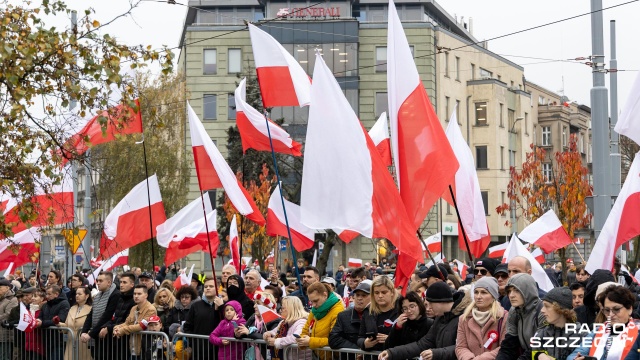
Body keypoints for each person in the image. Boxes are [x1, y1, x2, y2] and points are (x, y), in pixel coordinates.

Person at [378, 282, 471, 360]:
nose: (428, 308)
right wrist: (392, 352)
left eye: (430, 303)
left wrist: (435, 353)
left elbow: (463, 347)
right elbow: (422, 344)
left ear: (440, 301)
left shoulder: (465, 317)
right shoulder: (440, 319)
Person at [569, 285, 640, 360]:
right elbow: (575, 354)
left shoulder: (638, 331)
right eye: (607, 310)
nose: (611, 314)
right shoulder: (597, 331)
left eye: (616, 309)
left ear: (629, 309)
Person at [455, 277, 509, 360]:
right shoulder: (464, 318)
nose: (478, 296)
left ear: (493, 295)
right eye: (476, 292)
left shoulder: (504, 317)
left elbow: (504, 347)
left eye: (484, 292)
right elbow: (460, 347)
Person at [495, 273, 545, 360]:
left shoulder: (544, 310)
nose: (511, 295)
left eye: (517, 290)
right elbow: (509, 345)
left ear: (528, 290)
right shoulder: (514, 310)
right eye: (509, 291)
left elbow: (539, 347)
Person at [530, 287, 588, 360]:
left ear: (561, 309)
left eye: (547, 306)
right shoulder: (542, 334)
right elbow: (533, 352)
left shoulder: (582, 335)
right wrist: (538, 355)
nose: (542, 310)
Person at [298, 282, 345, 360]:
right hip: (318, 355)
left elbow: (335, 340)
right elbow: (305, 331)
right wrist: (302, 340)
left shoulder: (338, 311)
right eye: (311, 302)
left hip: (333, 357)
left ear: (325, 295)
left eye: (316, 301)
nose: (313, 305)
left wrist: (310, 341)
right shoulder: (314, 310)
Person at [81, 271, 120, 360]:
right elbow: (91, 314)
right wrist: (84, 331)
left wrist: (90, 334)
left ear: (109, 282)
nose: (97, 283)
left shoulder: (115, 295)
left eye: (100, 281)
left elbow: (106, 316)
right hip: (97, 336)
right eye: (97, 281)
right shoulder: (98, 295)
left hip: (108, 338)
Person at [183, 276, 224, 358]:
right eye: (206, 287)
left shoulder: (224, 305)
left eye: (211, 286)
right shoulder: (196, 306)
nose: (208, 288)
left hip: (217, 349)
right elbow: (187, 326)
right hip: (199, 348)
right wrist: (193, 342)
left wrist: (221, 307)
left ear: (218, 288)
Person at [113, 284, 157, 359]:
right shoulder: (133, 308)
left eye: (139, 294)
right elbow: (127, 323)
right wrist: (117, 327)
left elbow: (141, 326)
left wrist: (123, 330)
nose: (136, 296)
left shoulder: (151, 309)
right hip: (132, 347)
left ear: (146, 295)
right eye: (134, 293)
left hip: (144, 348)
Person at [330, 281, 372, 358]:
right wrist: (357, 349)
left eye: (364, 295)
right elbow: (333, 340)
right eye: (357, 295)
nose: (359, 298)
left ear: (372, 298)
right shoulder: (343, 316)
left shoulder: (377, 316)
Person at [357, 276, 399, 352]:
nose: (380, 296)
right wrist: (364, 343)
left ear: (392, 292)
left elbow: (410, 338)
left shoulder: (401, 310)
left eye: (384, 292)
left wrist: (391, 339)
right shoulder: (368, 311)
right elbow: (360, 337)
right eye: (376, 293)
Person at [264, 294, 311, 360]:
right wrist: (269, 333)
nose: (280, 310)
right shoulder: (283, 322)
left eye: (283, 308)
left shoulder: (302, 322)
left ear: (291, 309)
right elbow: (275, 332)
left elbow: (296, 338)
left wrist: (276, 342)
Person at [105, 271, 136, 359]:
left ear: (132, 284)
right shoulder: (119, 298)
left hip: (125, 340)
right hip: (114, 338)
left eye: (124, 282)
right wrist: (108, 326)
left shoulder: (133, 301)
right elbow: (113, 316)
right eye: (121, 282)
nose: (121, 285)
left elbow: (127, 321)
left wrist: (109, 328)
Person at [58, 286, 92, 360]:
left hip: (84, 344)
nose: (77, 296)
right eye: (76, 294)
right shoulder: (72, 308)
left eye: (80, 294)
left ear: (87, 296)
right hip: (71, 344)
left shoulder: (91, 309)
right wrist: (59, 324)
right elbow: (67, 326)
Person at [37, 284, 70, 360]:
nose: (47, 296)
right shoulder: (45, 305)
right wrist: (38, 320)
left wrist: (43, 323)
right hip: (47, 340)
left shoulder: (64, 303)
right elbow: (40, 316)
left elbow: (61, 319)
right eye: (46, 294)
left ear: (56, 294)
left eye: (49, 294)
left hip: (58, 340)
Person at [0, 279, 17, 359]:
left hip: (5, 334)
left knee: (4, 356)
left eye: (0, 288)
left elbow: (8, 314)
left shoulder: (12, 299)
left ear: (7, 288)